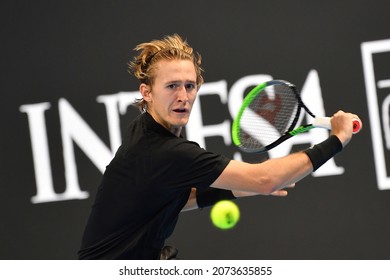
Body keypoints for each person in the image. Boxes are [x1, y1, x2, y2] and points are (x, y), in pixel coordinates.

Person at [78, 34, 360, 260]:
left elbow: (173, 198)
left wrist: (247, 187)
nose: (183, 96)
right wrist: (337, 140)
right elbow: (266, 179)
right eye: (172, 86)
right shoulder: (164, 151)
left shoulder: (144, 132)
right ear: (147, 92)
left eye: (190, 86)